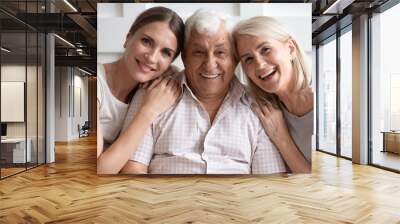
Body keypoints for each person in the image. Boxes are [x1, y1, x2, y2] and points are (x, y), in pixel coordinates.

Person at [119, 9, 286, 174]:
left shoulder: (259, 108)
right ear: (184, 58)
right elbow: (133, 168)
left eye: (220, 53)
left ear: (235, 59)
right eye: (199, 52)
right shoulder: (152, 93)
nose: (209, 64)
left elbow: (270, 180)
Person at [97, 7, 184, 174]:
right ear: (128, 39)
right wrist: (149, 111)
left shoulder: (153, 82)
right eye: (146, 41)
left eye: (165, 52)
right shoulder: (95, 84)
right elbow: (100, 170)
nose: (151, 58)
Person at [233, 16, 313, 173]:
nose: (260, 64)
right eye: (248, 59)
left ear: (290, 49)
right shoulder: (265, 111)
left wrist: (282, 138)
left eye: (265, 50)